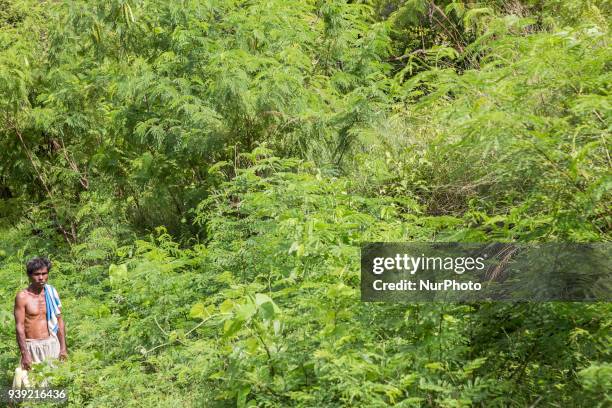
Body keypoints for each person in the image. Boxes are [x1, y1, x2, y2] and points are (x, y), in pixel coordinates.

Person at [13, 257, 67, 387]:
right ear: (29, 275)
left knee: (53, 384)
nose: (41, 278)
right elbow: (19, 327)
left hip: (52, 344)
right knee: (31, 386)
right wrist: (25, 354)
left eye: (44, 273)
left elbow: (59, 321)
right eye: (37, 274)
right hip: (32, 347)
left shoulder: (52, 292)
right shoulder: (22, 297)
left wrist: (63, 348)